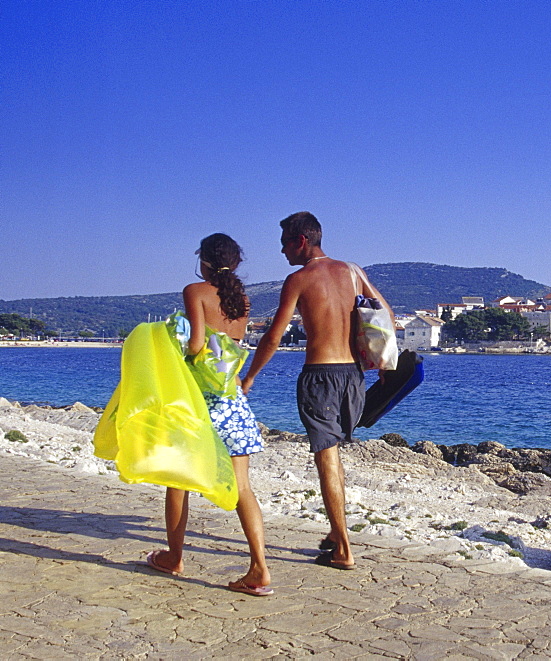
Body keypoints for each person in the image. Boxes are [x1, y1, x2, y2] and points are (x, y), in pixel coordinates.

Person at [242, 212, 394, 570]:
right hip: (354, 375)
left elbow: (274, 336)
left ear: (300, 241)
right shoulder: (353, 272)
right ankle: (334, 530)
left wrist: (249, 379)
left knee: (326, 455)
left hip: (320, 374)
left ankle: (343, 547)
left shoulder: (298, 279)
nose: (281, 251)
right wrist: (381, 363)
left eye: (283, 244)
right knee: (335, 452)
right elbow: (386, 315)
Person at [145, 233, 272, 596]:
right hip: (232, 402)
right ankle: (259, 568)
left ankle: (174, 557)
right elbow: (227, 348)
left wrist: (171, 336)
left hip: (198, 401)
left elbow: (198, 345)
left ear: (203, 260)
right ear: (236, 262)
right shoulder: (242, 300)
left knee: (178, 480)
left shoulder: (195, 291)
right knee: (242, 487)